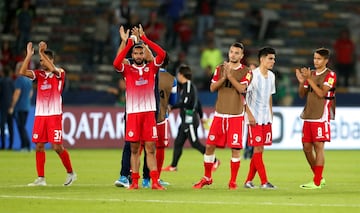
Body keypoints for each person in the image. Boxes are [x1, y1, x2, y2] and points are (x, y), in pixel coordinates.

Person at [113, 24, 166, 190]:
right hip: (133, 115)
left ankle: (154, 181)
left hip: (149, 114)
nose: (137, 55)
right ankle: (134, 182)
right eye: (135, 53)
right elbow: (116, 63)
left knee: (151, 149)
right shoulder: (127, 70)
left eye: (140, 52)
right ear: (132, 54)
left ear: (144, 54)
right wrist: (128, 42)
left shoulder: (152, 68)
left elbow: (162, 54)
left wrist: (144, 39)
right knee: (135, 149)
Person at [193, 42, 252, 190]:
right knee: (209, 147)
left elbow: (242, 89)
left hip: (236, 116)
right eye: (231, 52)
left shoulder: (246, 71)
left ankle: (232, 181)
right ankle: (207, 177)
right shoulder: (219, 68)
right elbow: (212, 87)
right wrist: (224, 77)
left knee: (235, 149)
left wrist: (230, 76)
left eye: (237, 53)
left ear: (241, 56)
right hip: (219, 115)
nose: (233, 54)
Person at [19, 41, 76, 186]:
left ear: (51, 60)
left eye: (44, 60)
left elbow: (53, 69)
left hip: (54, 115)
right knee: (39, 145)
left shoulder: (60, 73)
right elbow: (22, 72)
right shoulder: (39, 75)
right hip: (40, 115)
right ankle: (41, 178)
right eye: (40, 61)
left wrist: (41, 52)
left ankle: (71, 173)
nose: (41, 62)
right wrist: (29, 55)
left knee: (57, 147)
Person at [162, 65, 219, 172]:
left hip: (190, 120)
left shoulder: (187, 85)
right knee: (178, 142)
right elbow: (198, 103)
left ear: (180, 75)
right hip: (186, 120)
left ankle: (215, 160)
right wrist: (201, 117)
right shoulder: (188, 87)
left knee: (195, 143)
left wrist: (171, 106)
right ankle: (173, 166)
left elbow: (186, 102)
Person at [295, 47, 336, 189]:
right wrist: (302, 81)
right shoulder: (311, 74)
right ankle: (319, 177)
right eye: (314, 58)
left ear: (326, 60)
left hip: (321, 116)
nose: (315, 61)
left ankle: (317, 181)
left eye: (319, 59)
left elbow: (321, 93)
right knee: (306, 148)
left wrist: (309, 79)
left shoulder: (330, 75)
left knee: (319, 147)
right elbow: (302, 94)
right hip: (309, 114)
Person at [243, 47, 277, 189]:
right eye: (270, 58)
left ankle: (248, 181)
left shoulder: (272, 76)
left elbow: (269, 95)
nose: (273, 61)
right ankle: (264, 182)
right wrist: (249, 115)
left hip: (265, 118)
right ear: (262, 59)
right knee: (257, 149)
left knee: (260, 150)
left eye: (274, 59)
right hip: (254, 118)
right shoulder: (252, 75)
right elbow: (242, 95)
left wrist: (271, 112)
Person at [143, 54, 177, 187]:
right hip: (162, 118)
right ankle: (156, 178)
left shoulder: (146, 73)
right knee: (160, 147)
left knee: (142, 147)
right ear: (167, 63)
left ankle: (142, 178)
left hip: (145, 115)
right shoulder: (172, 79)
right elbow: (173, 101)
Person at [9, 60, 33, 151]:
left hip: (20, 107)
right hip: (26, 106)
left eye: (16, 68)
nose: (15, 70)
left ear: (20, 69)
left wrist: (12, 106)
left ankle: (26, 146)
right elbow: (30, 93)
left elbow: (16, 94)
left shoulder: (19, 80)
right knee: (22, 126)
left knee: (21, 127)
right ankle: (26, 146)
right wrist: (26, 100)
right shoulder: (29, 80)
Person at [0, 65, 15, 150]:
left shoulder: (1, 81)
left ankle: (3, 145)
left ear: (2, 73)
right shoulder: (12, 82)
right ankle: (11, 145)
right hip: (10, 107)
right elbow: (14, 93)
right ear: (9, 73)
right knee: (10, 126)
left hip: (2, 107)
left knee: (2, 126)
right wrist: (12, 105)